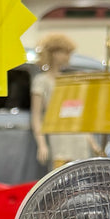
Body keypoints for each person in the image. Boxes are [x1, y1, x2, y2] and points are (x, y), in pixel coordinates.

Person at [30, 33, 97, 167]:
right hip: (58, 137)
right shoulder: (42, 81)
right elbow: (36, 116)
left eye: (68, 53)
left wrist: (92, 141)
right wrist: (41, 144)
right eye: (63, 52)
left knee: (80, 175)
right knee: (59, 177)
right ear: (53, 53)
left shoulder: (68, 81)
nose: (67, 56)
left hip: (77, 137)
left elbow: (77, 114)